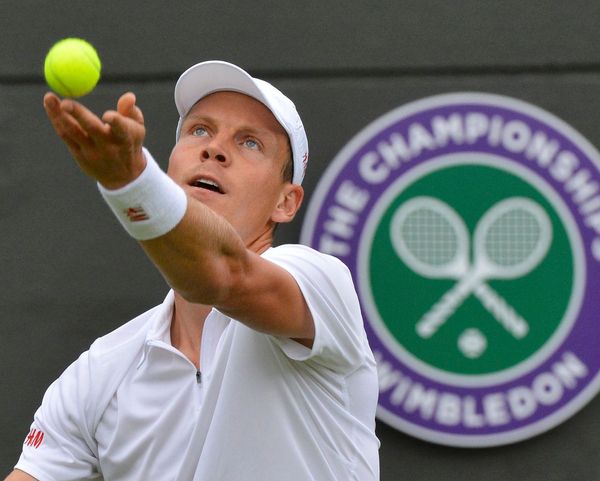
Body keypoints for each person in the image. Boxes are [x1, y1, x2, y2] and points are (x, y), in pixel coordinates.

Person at [5, 60, 380, 481]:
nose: (214, 148)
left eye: (250, 142)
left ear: (286, 202)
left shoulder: (317, 281)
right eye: (200, 130)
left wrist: (131, 184)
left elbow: (222, 276)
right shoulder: (99, 373)